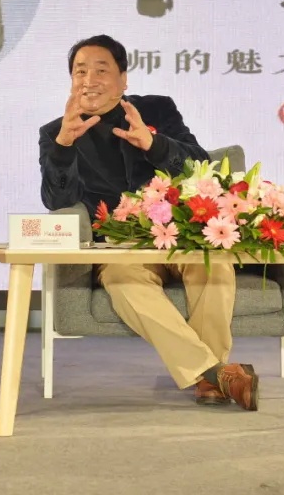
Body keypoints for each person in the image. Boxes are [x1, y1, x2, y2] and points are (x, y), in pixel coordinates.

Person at [38, 35, 258, 410]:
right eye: (80, 72)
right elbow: (56, 201)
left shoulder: (157, 109)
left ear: (123, 79)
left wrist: (154, 144)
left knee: (214, 266)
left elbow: (201, 167)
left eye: (101, 70)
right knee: (122, 280)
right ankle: (215, 375)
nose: (89, 80)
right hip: (120, 249)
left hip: (181, 237)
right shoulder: (56, 132)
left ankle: (211, 378)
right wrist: (63, 148)